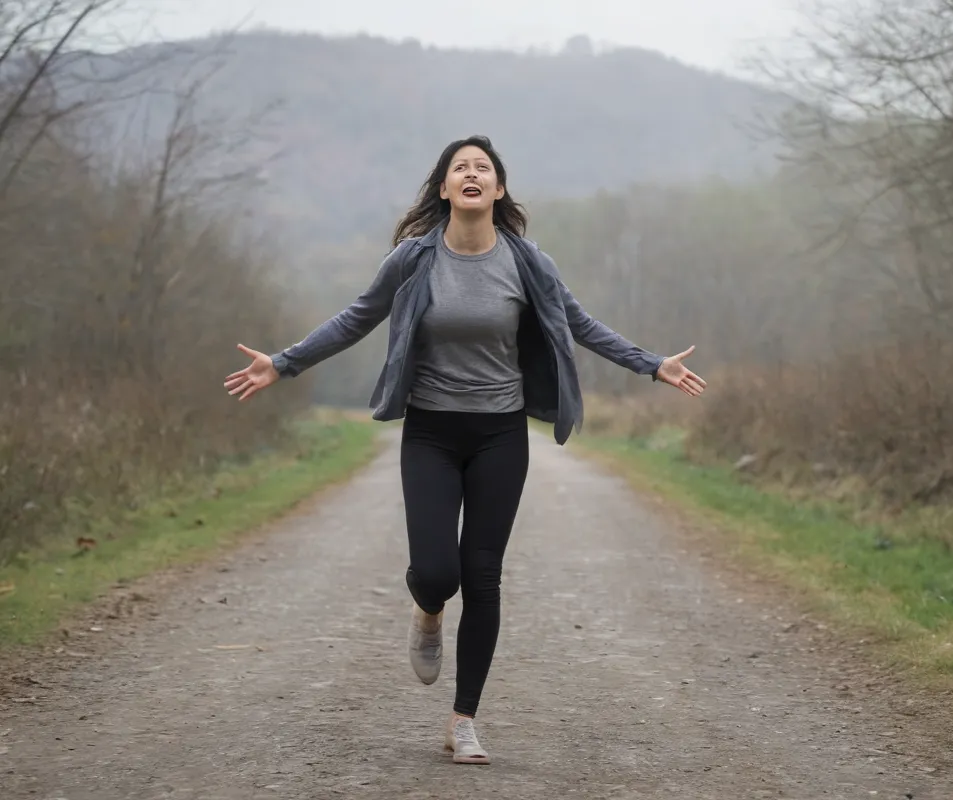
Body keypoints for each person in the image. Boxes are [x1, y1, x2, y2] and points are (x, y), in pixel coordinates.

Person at [223, 135, 706, 765]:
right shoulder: (413, 259)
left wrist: (651, 364)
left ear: (498, 190)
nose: (472, 174)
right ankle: (427, 609)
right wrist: (283, 363)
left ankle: (465, 719)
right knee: (437, 573)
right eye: (461, 168)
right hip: (430, 431)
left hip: (500, 434)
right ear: (445, 189)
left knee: (482, 577)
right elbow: (356, 317)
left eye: (484, 168)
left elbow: (578, 324)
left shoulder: (529, 263)